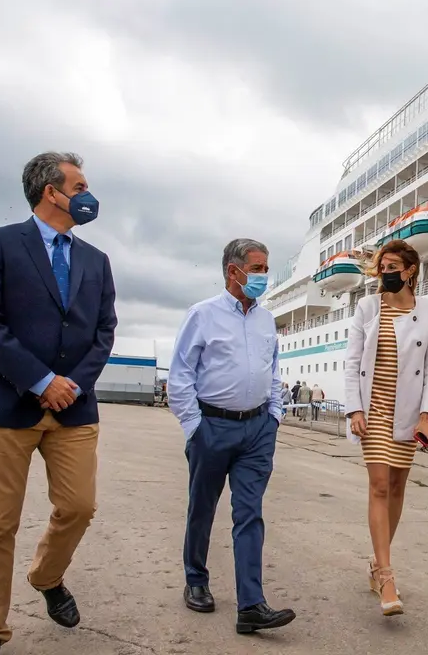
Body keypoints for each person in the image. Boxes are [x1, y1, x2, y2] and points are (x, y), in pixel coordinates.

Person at [0, 152, 116, 655]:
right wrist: (41, 380)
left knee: (79, 507)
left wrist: (71, 385)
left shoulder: (96, 260)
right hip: (6, 404)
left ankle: (47, 577)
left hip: (74, 408)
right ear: (52, 191)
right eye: (80, 186)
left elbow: (104, 331)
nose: (88, 195)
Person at [168, 238, 296, 635]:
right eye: (257, 269)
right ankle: (196, 580)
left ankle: (251, 605)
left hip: (257, 430)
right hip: (212, 427)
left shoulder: (266, 320)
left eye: (265, 269)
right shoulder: (202, 315)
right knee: (202, 508)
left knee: (249, 513)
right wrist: (194, 427)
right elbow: (180, 375)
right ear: (233, 271)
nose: (264, 276)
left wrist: (274, 416)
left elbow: (273, 371)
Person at [344, 239, 428, 617]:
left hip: (407, 411)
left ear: (410, 271)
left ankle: (376, 563)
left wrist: (426, 415)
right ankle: (386, 576)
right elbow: (352, 362)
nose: (385, 273)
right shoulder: (368, 307)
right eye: (382, 267)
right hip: (374, 410)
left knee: (398, 487)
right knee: (380, 485)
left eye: (393, 267)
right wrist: (354, 409)